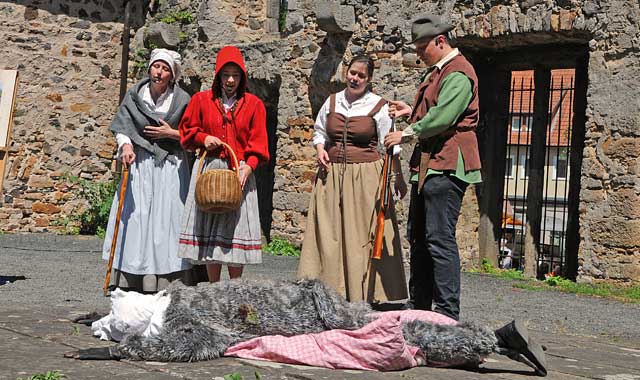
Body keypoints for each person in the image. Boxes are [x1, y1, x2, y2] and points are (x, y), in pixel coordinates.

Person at [66, 278, 548, 376]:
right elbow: (183, 342)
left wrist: (124, 349)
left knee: (392, 335)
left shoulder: (181, 306)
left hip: (311, 313)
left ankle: (494, 339)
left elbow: (191, 346)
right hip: (310, 305)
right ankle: (493, 339)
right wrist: (107, 329)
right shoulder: (182, 297)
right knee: (391, 328)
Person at [384, 14, 482, 320]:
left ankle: (446, 313)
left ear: (440, 42)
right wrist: (411, 111)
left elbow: (443, 118)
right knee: (420, 237)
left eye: (422, 47)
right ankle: (420, 308)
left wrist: (406, 133)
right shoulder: (437, 72)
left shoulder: (459, 72)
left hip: (449, 165)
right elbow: (435, 110)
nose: (418, 53)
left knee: (439, 238)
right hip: (429, 166)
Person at [297, 55, 408, 304]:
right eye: (352, 73)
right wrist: (320, 150)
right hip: (332, 175)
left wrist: (398, 179)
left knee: (360, 235)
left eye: (360, 75)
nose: (354, 78)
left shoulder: (379, 106)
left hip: (365, 176)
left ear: (369, 80)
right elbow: (319, 131)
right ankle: (326, 291)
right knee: (328, 232)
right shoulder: (332, 101)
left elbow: (390, 145)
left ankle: (362, 294)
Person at [103, 48, 193, 293]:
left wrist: (171, 133)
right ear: (150, 69)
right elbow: (123, 126)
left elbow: (194, 134)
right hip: (140, 164)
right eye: (156, 67)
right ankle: (131, 279)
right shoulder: (135, 97)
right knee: (138, 219)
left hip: (170, 166)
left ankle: (168, 280)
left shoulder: (183, 100)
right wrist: (126, 145)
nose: (159, 72)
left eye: (165, 69)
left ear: (172, 75)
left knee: (167, 220)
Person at [177, 46, 269, 282]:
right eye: (226, 74)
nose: (230, 80)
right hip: (210, 173)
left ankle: (235, 290)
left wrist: (249, 165)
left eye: (235, 75)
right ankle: (214, 289)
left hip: (240, 173)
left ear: (243, 77)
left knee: (235, 233)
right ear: (218, 75)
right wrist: (203, 138)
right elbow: (186, 131)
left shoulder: (254, 105)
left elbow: (258, 141)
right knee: (211, 232)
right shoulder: (201, 100)